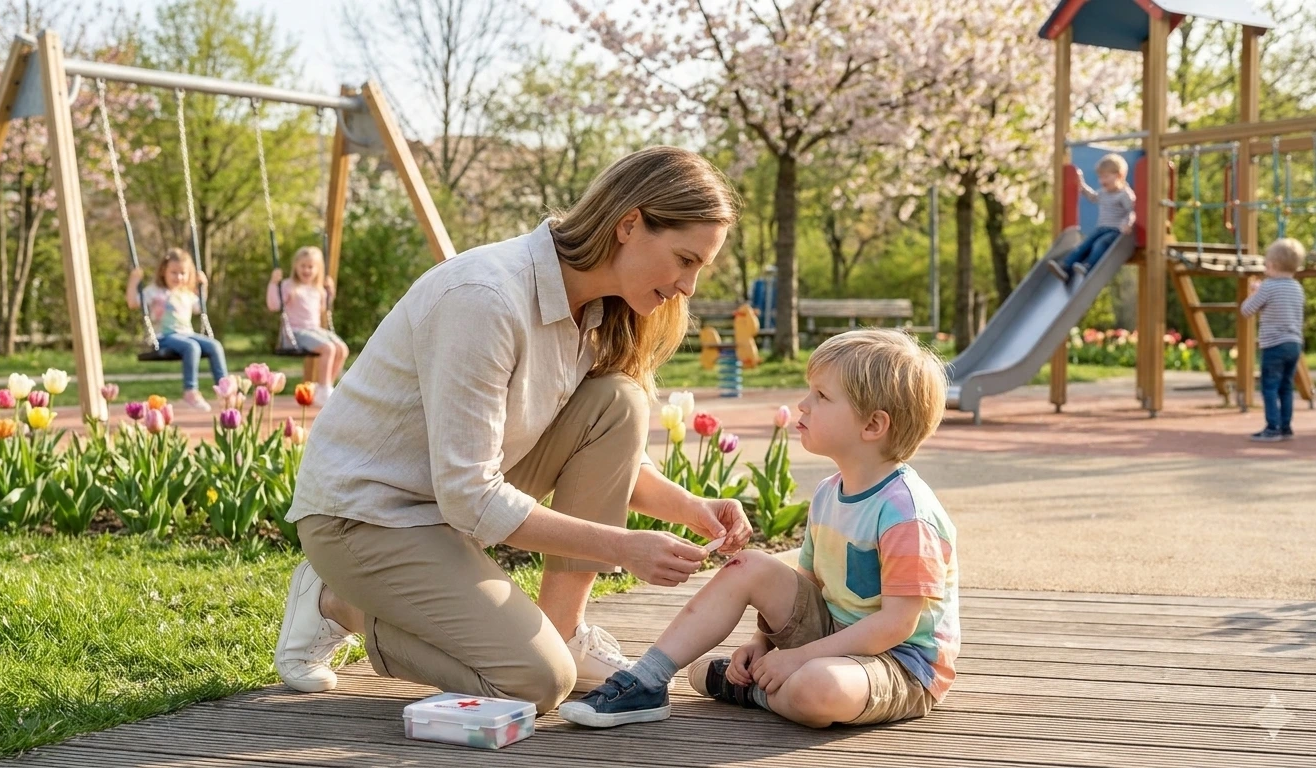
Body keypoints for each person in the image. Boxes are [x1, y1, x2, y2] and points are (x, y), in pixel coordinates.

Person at [273, 146, 754, 716]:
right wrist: (625, 548)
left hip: (445, 505)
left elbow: (595, 445)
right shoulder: (484, 298)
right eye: (685, 259)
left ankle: (563, 629)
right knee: (536, 683)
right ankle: (337, 602)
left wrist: (690, 507)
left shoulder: (596, 312)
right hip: (366, 517)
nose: (689, 286)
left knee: (618, 400)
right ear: (630, 224)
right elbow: (471, 495)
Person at [559, 328, 959, 730]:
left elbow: (897, 624)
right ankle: (647, 677)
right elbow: (807, 584)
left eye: (821, 396)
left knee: (817, 689)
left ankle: (751, 690)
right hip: (832, 632)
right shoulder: (827, 492)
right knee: (748, 564)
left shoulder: (906, 514)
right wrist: (762, 644)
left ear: (873, 425)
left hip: (900, 663)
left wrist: (799, 658)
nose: (803, 405)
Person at [126, 248, 228, 412]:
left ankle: (225, 389)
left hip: (186, 334)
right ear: (163, 272)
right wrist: (134, 280)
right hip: (163, 337)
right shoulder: (154, 291)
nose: (178, 277)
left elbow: (198, 308)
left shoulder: (186, 293)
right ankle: (190, 391)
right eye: (174, 272)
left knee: (215, 345)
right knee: (191, 347)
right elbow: (133, 303)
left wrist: (204, 287)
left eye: (183, 273)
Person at [1241, 238, 1308, 442]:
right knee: (1286, 387)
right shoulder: (1297, 288)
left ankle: (1272, 428)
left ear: (1271, 265)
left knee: (1269, 387)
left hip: (1274, 345)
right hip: (1294, 344)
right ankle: (1286, 427)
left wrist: (1254, 292)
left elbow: (1246, 310)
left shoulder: (1268, 287)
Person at [267, 246, 349, 405]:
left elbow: (324, 308)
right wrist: (273, 283)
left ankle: (325, 387)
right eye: (303, 266)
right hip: (295, 333)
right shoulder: (288, 285)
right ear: (295, 266)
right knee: (329, 348)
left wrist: (330, 292)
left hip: (315, 330)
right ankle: (324, 389)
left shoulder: (317, 289)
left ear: (318, 269)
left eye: (311, 267)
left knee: (342, 349)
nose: (306, 270)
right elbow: (274, 305)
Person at [1050, 154, 1136, 282]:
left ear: (1119, 176)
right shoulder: (1103, 192)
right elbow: (1092, 197)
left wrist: (1127, 224)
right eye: (1100, 177)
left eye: (1106, 177)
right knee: (1085, 244)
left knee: (1099, 244)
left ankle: (1088, 266)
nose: (1102, 181)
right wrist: (1081, 184)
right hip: (1101, 228)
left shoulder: (1124, 194)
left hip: (1116, 231)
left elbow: (1132, 211)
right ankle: (1065, 266)